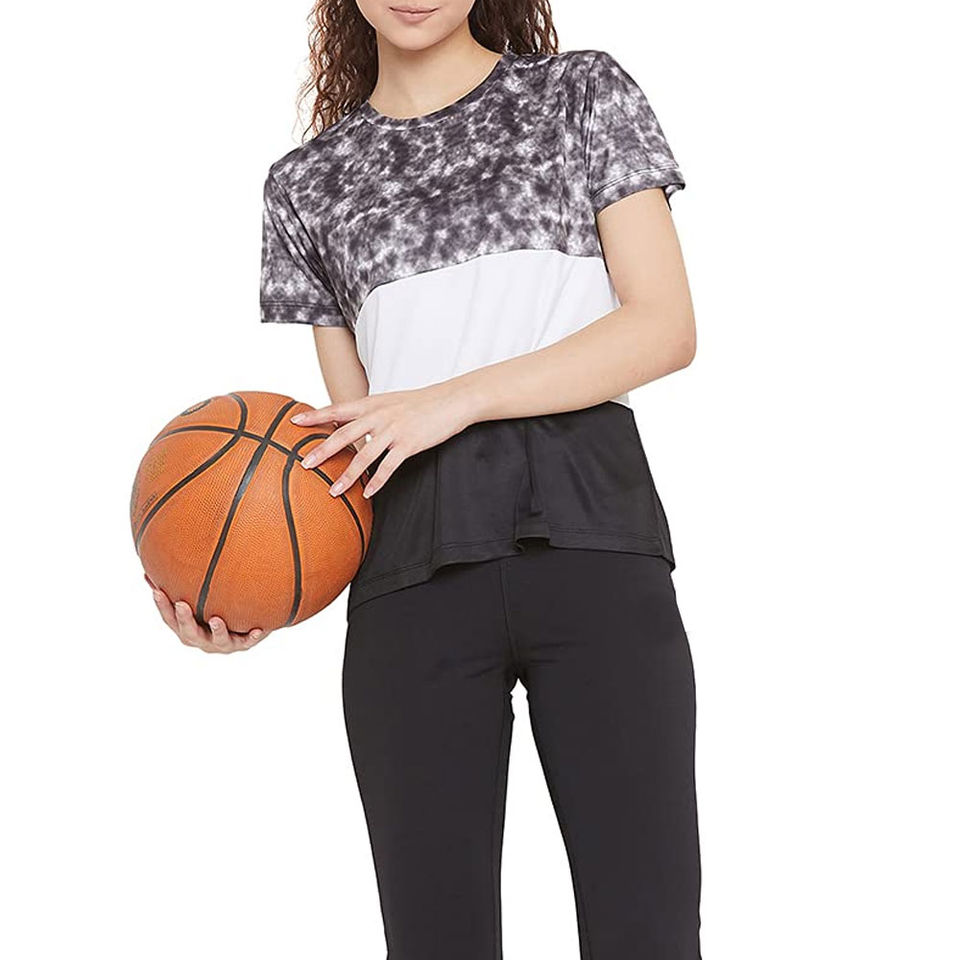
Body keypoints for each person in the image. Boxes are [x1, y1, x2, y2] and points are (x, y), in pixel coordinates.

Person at [148, 1, 701, 956]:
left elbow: (664, 327)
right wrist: (245, 588)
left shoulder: (580, 93)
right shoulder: (307, 184)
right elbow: (352, 440)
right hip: (409, 572)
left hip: (591, 537)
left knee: (646, 933)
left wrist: (452, 401)